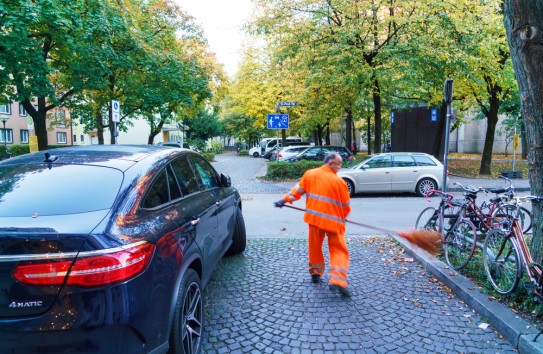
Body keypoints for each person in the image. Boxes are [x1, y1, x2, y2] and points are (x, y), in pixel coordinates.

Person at [274, 152, 352, 297]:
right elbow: (346, 206)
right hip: (334, 223)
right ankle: (338, 281)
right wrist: (343, 217)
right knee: (339, 251)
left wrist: (283, 201)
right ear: (330, 163)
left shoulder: (310, 174)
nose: (340, 167)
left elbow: (296, 192)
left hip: (315, 220)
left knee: (314, 247)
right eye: (339, 164)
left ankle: (315, 273)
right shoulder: (339, 182)